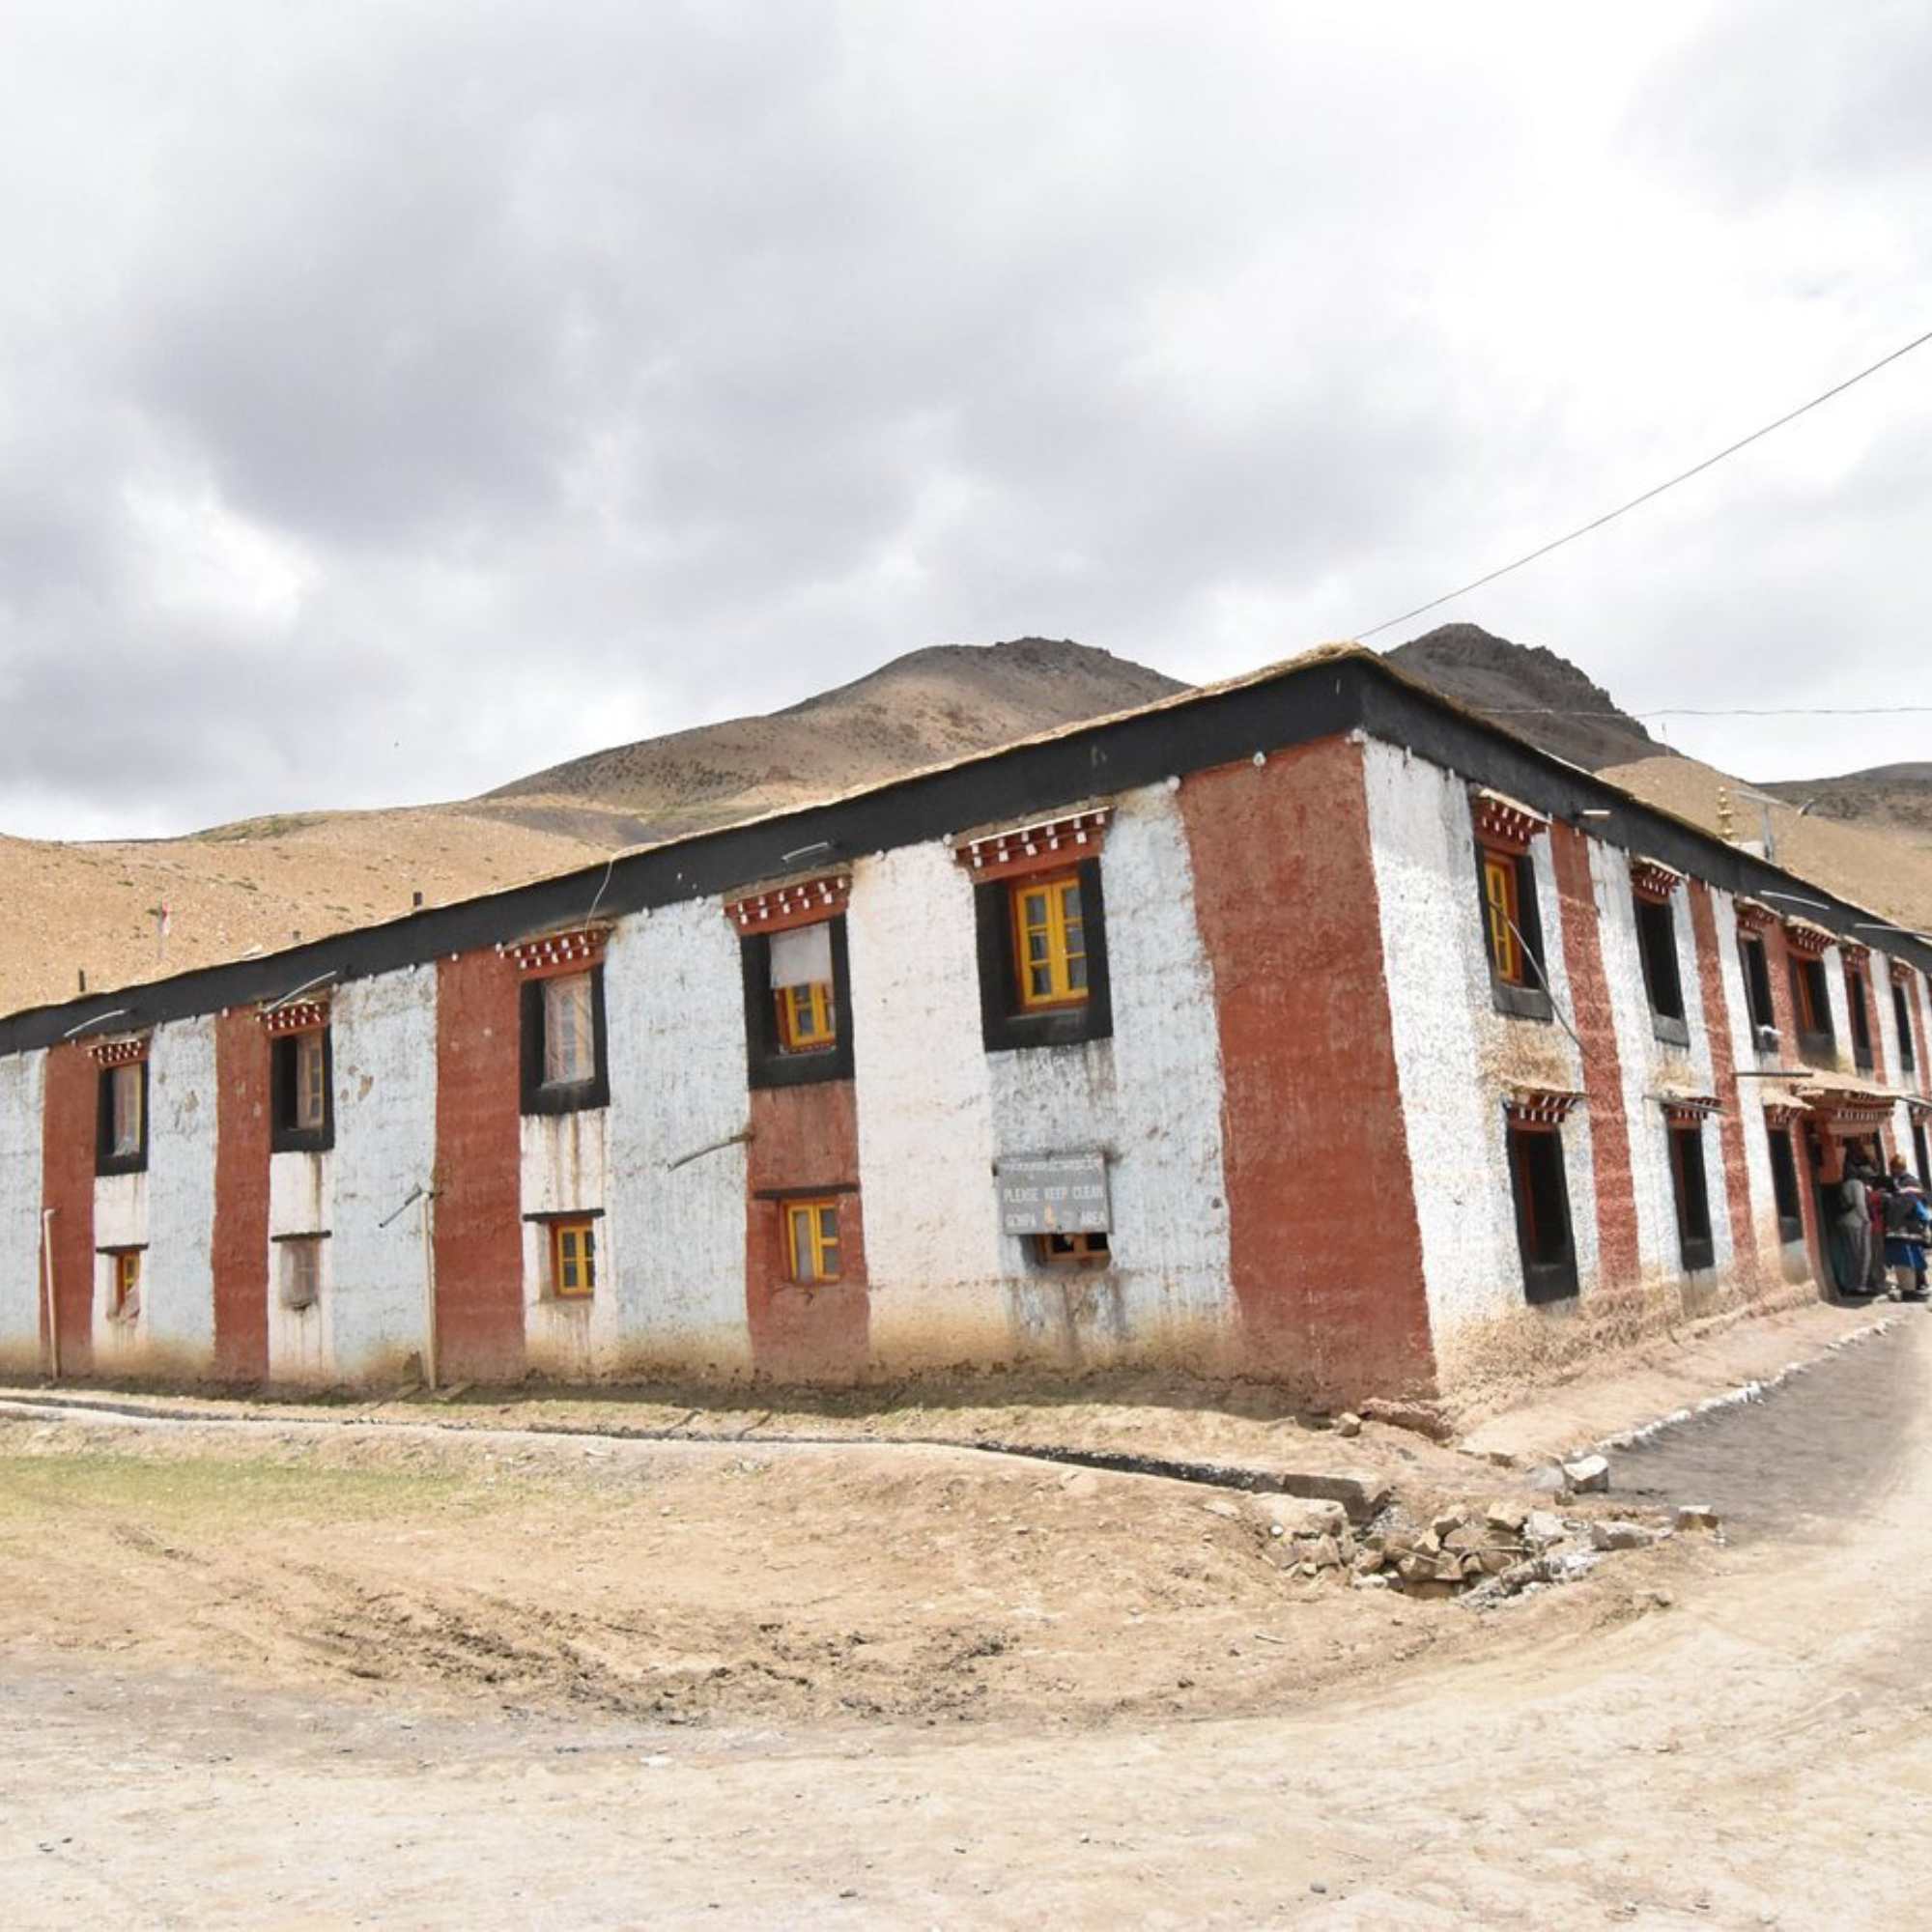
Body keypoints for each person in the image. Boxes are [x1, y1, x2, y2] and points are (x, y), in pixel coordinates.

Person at [1884, 1156, 1931, 1299]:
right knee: (1914, 1257)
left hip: (1909, 1228)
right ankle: (1919, 1285)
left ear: (1898, 1167)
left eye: (1893, 1168)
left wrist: (1891, 1216)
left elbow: (1903, 1206)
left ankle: (1911, 1290)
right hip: (1913, 1227)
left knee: (1908, 1259)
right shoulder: (1908, 1182)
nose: (1892, 1171)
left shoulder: (1908, 1184)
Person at [1833, 1153, 1873, 1297]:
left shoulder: (1843, 1184)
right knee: (1861, 1255)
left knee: (1850, 1255)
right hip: (1857, 1222)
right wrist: (1867, 1220)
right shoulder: (1857, 1184)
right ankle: (1860, 1286)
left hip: (1844, 1222)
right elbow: (1860, 1204)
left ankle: (1850, 1284)